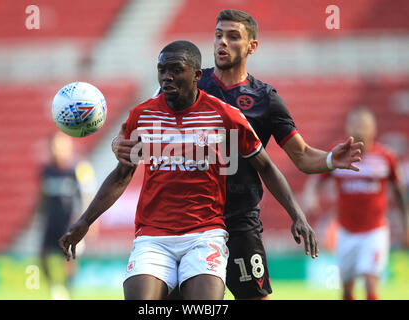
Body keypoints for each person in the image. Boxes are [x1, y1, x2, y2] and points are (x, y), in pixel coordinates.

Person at [111, 10, 363, 300]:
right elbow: (147, 125)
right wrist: (119, 143)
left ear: (251, 46)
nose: (222, 42)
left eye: (232, 37)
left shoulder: (265, 100)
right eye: (219, 35)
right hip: (186, 222)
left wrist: (331, 160)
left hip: (239, 219)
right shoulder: (188, 81)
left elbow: (302, 156)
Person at [59, 40, 318, 300]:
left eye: (176, 70)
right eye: (162, 70)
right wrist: (84, 221)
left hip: (204, 236)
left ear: (196, 75)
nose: (167, 77)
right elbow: (121, 176)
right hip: (153, 237)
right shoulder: (142, 115)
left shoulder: (225, 116)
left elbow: (266, 167)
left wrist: (298, 215)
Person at [303, 107, 408, 300]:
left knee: (370, 282)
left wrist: (406, 225)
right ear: (348, 127)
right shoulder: (339, 156)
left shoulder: (386, 157)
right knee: (347, 289)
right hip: (346, 232)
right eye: (356, 124)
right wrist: (311, 197)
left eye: (365, 125)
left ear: (373, 128)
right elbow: (316, 179)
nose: (360, 129)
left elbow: (400, 194)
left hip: (374, 231)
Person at [36, 132, 83, 299]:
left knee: (69, 259)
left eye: (62, 145)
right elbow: (41, 196)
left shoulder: (75, 170)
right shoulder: (46, 171)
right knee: (42, 255)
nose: (58, 149)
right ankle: (54, 287)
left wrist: (85, 222)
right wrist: (39, 215)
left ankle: (68, 289)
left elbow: (83, 196)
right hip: (50, 221)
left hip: (68, 223)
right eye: (55, 146)